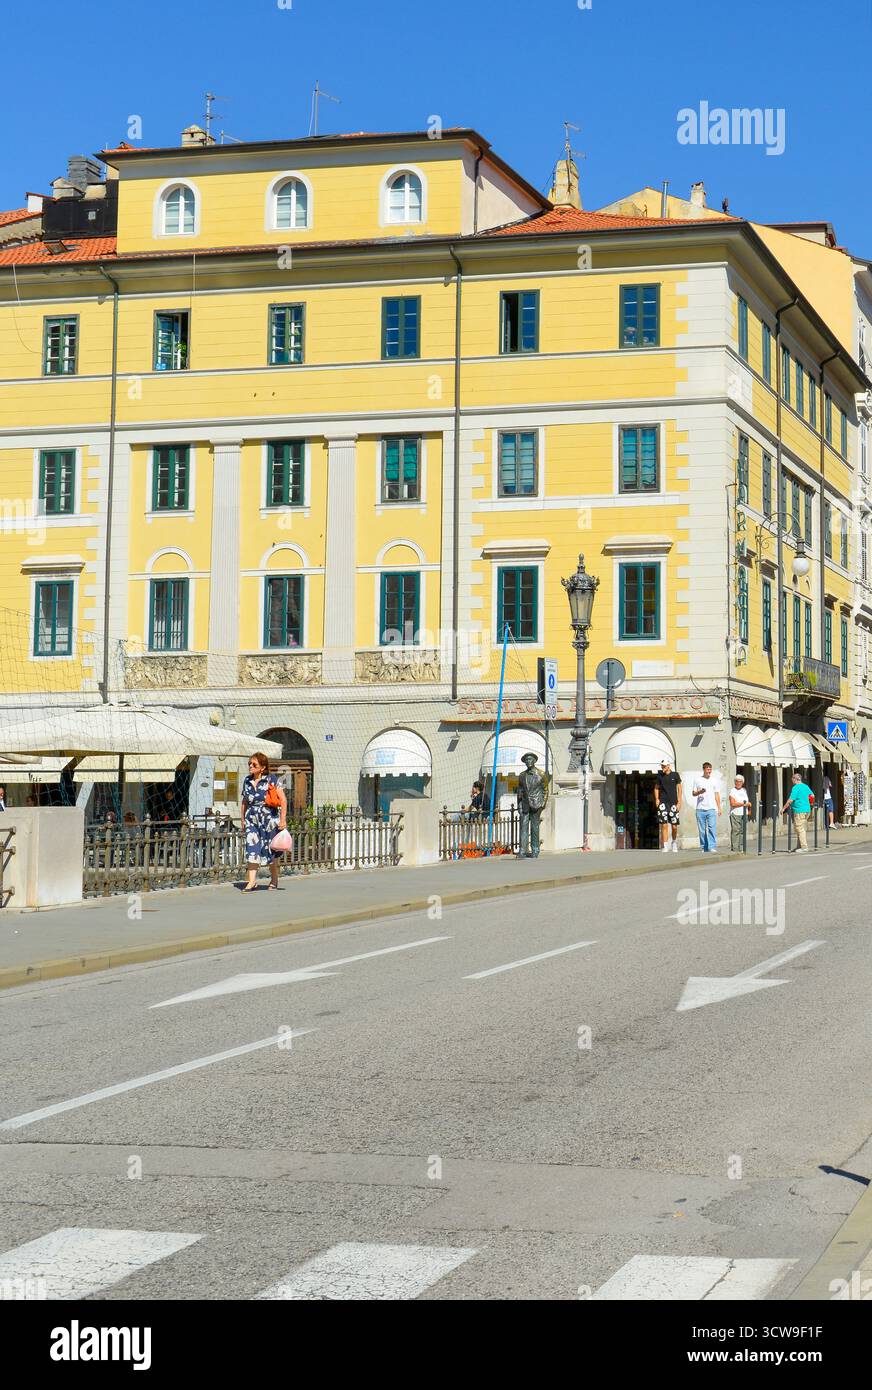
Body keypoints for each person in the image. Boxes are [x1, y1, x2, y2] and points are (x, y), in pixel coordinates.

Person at [241, 753, 287, 890]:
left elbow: (283, 800)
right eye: (249, 763)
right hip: (252, 819)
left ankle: (274, 879)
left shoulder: (272, 779)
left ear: (262, 767)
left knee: (270, 850)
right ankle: (252, 881)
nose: (250, 766)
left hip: (269, 820)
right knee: (252, 848)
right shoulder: (247, 781)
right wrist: (243, 819)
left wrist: (283, 819)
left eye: (254, 764)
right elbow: (244, 801)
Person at [516, 752, 547, 857]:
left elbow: (545, 790)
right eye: (526, 760)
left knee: (535, 828)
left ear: (534, 761)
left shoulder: (541, 774)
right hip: (524, 804)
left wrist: (542, 804)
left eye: (530, 759)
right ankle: (522, 850)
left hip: (536, 804)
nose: (528, 761)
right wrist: (519, 805)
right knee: (523, 827)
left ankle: (535, 850)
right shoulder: (521, 775)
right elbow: (519, 791)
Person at [653, 757, 682, 852]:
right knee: (664, 825)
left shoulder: (675, 775)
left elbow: (679, 788)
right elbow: (656, 788)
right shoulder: (660, 776)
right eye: (662, 766)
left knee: (674, 825)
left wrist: (679, 801)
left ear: (669, 766)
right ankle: (665, 845)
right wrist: (657, 799)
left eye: (664, 766)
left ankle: (674, 842)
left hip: (673, 802)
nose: (663, 768)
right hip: (663, 803)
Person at [691, 762, 721, 852]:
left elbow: (717, 794)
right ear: (704, 769)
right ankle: (704, 846)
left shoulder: (714, 780)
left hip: (711, 808)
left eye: (710, 769)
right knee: (702, 830)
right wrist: (699, 792)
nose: (709, 771)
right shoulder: (697, 780)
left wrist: (719, 807)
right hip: (700, 809)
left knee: (712, 828)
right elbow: (693, 793)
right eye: (707, 769)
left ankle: (712, 847)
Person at [781, 771, 813, 852]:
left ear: (796, 779)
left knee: (799, 828)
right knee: (801, 828)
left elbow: (791, 799)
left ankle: (804, 847)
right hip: (807, 810)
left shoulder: (796, 787)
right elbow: (812, 795)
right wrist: (809, 803)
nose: (792, 780)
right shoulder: (805, 786)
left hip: (799, 810)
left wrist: (784, 808)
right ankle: (799, 846)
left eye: (792, 779)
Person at [728, 774, 751, 852]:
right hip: (735, 813)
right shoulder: (732, 791)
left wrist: (749, 809)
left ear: (742, 783)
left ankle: (740, 847)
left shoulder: (744, 790)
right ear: (735, 782)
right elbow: (733, 803)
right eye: (737, 781)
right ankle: (735, 848)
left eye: (740, 782)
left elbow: (747, 802)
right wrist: (744, 804)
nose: (738, 783)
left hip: (744, 813)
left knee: (742, 831)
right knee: (736, 830)